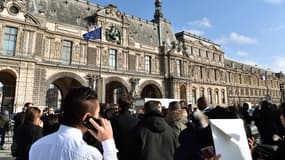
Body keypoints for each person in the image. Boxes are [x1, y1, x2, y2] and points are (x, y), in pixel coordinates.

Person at [29, 87, 118, 160]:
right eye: (98, 113)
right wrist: (108, 141)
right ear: (87, 117)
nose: (99, 117)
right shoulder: (89, 154)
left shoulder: (37, 146)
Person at [111, 95, 139, 160]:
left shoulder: (114, 120)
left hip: (118, 152)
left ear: (119, 105)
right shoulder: (136, 121)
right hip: (132, 153)